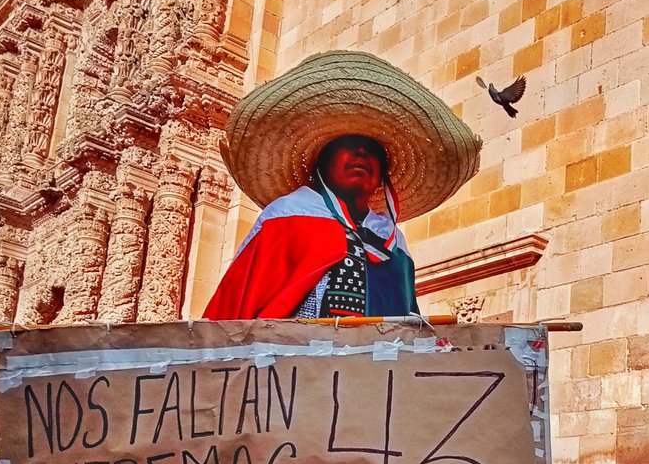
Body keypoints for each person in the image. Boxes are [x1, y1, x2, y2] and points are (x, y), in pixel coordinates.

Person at [205, 50, 482, 319]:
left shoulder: (394, 242)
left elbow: (405, 320)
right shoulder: (287, 217)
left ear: (381, 178)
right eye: (348, 146)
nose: (362, 154)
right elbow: (233, 311)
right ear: (321, 164)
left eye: (373, 151)